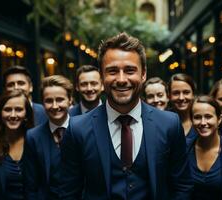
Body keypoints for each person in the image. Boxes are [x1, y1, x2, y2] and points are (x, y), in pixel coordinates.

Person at [60, 32, 192, 199]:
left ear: (143, 74)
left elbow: (182, 186)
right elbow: (68, 192)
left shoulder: (170, 124)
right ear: (101, 76)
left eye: (130, 70)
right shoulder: (77, 128)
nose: (121, 79)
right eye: (112, 71)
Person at [23, 75, 73, 199]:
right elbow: (31, 184)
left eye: (60, 99)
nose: (55, 106)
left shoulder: (85, 130)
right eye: (49, 101)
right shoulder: (32, 137)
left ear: (70, 100)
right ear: (42, 103)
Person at [0, 66, 47, 136]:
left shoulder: (45, 113)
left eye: (21, 83)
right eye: (10, 84)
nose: (16, 88)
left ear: (31, 87)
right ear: (5, 90)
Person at [168, 73, 197, 141]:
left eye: (186, 92)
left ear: (193, 94)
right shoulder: (162, 121)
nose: (181, 98)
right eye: (176, 93)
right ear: (169, 96)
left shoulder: (202, 120)